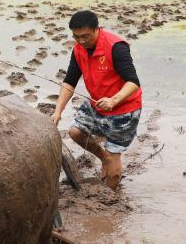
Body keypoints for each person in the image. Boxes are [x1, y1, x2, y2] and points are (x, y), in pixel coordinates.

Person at [51, 10, 141, 189]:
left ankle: (110, 197)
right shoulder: (78, 49)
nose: (81, 41)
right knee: (75, 132)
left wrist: (114, 100)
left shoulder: (116, 47)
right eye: (76, 37)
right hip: (97, 104)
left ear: (97, 29)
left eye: (85, 36)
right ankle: (104, 158)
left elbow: (133, 82)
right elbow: (69, 82)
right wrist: (58, 111)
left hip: (123, 109)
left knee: (114, 160)